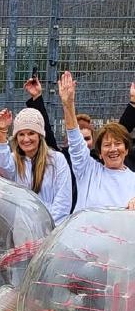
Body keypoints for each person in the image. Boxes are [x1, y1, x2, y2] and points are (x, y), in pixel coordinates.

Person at [59, 72, 135, 211]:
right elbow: (76, 143)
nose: (113, 149)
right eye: (107, 145)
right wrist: (68, 105)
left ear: (127, 150)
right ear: (99, 153)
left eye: (118, 144)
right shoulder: (88, 171)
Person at [0, 106, 72, 224]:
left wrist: (48, 227)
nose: (26, 139)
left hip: (51, 227)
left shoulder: (56, 159)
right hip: (22, 227)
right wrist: (3, 131)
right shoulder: (14, 160)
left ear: (40, 136)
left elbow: (63, 199)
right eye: (21, 134)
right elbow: (1, 165)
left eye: (31, 133)